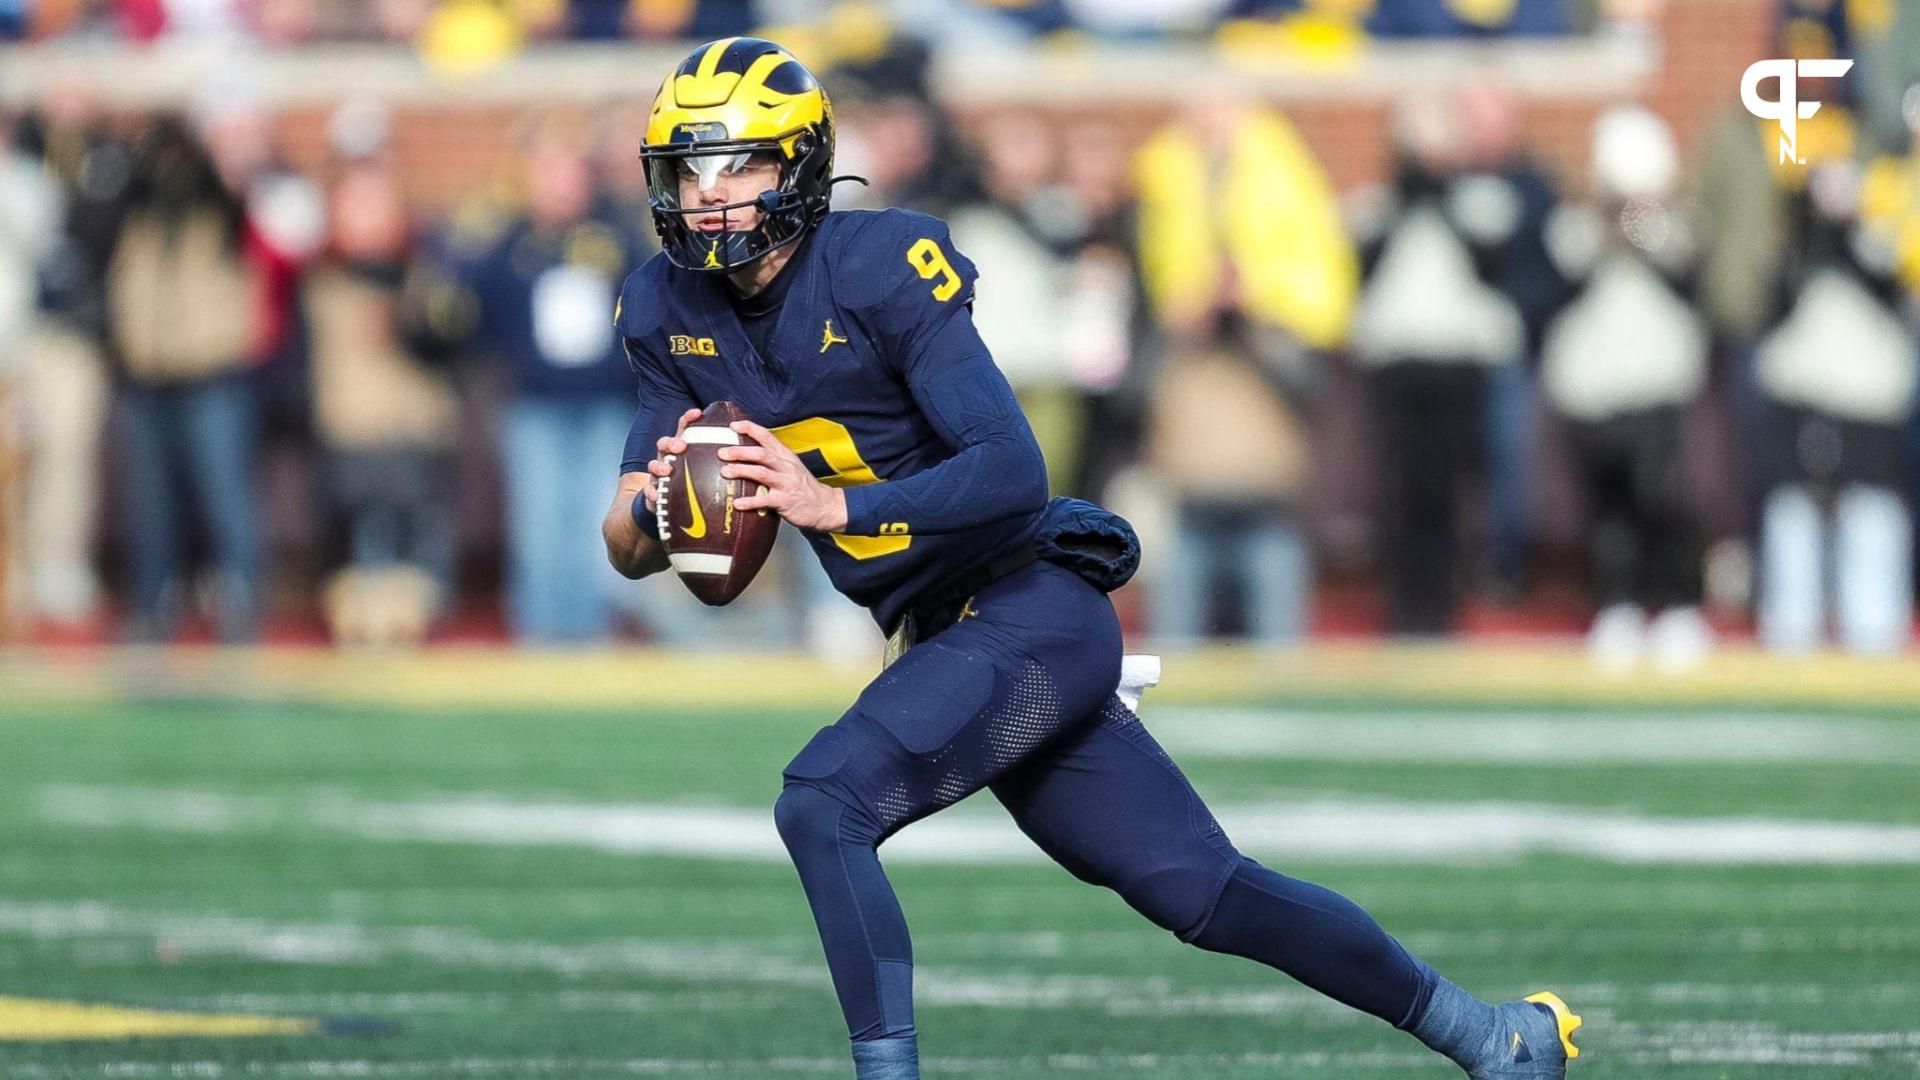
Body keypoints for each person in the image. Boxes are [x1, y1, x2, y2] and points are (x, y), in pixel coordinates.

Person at [602, 37, 1581, 1080]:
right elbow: (630, 540)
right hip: (948, 638)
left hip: (1029, 608)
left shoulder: (881, 266)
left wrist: (831, 501)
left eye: (736, 166)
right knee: (1203, 890)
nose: (708, 198)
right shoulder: (669, 307)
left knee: (823, 803)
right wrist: (666, 510)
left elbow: (1012, 468)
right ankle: (1493, 1037)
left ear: (799, 166)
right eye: (688, 171)